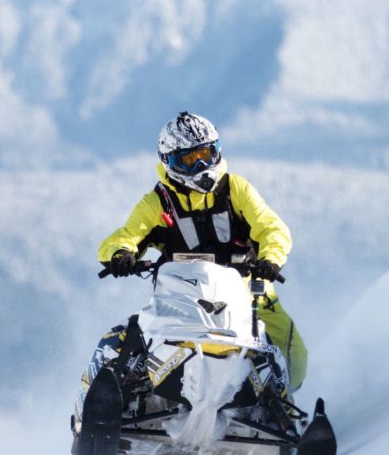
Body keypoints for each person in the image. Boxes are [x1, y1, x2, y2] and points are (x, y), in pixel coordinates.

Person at [96, 111, 308, 391]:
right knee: (120, 341)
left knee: (293, 353)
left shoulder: (236, 189)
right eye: (190, 159)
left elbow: (271, 228)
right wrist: (120, 255)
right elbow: (126, 235)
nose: (202, 165)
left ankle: (283, 409)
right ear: (170, 161)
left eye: (207, 154)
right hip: (180, 298)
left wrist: (270, 258)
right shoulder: (158, 202)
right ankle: (110, 402)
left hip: (248, 294)